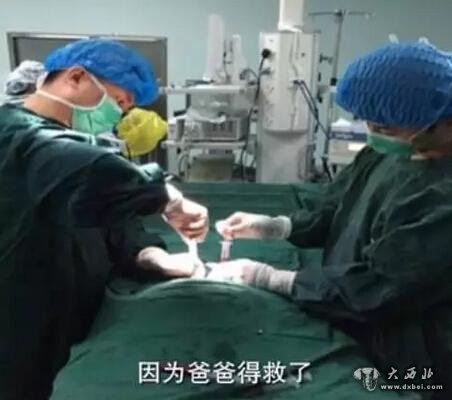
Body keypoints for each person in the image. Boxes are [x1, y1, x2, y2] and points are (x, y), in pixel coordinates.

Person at [212, 42, 452, 399]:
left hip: (421, 354)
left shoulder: (443, 197)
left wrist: (274, 278)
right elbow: (338, 204)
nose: (373, 132)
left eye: (385, 126)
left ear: (443, 120)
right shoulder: (390, 150)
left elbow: (383, 286)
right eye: (370, 122)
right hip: (357, 322)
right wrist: (277, 226)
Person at [0, 38, 208, 400]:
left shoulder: (74, 143)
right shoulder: (16, 137)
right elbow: (92, 173)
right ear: (75, 77)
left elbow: (110, 217)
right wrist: (167, 198)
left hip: (71, 317)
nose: (119, 114)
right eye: (118, 101)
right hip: (18, 324)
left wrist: (150, 255)